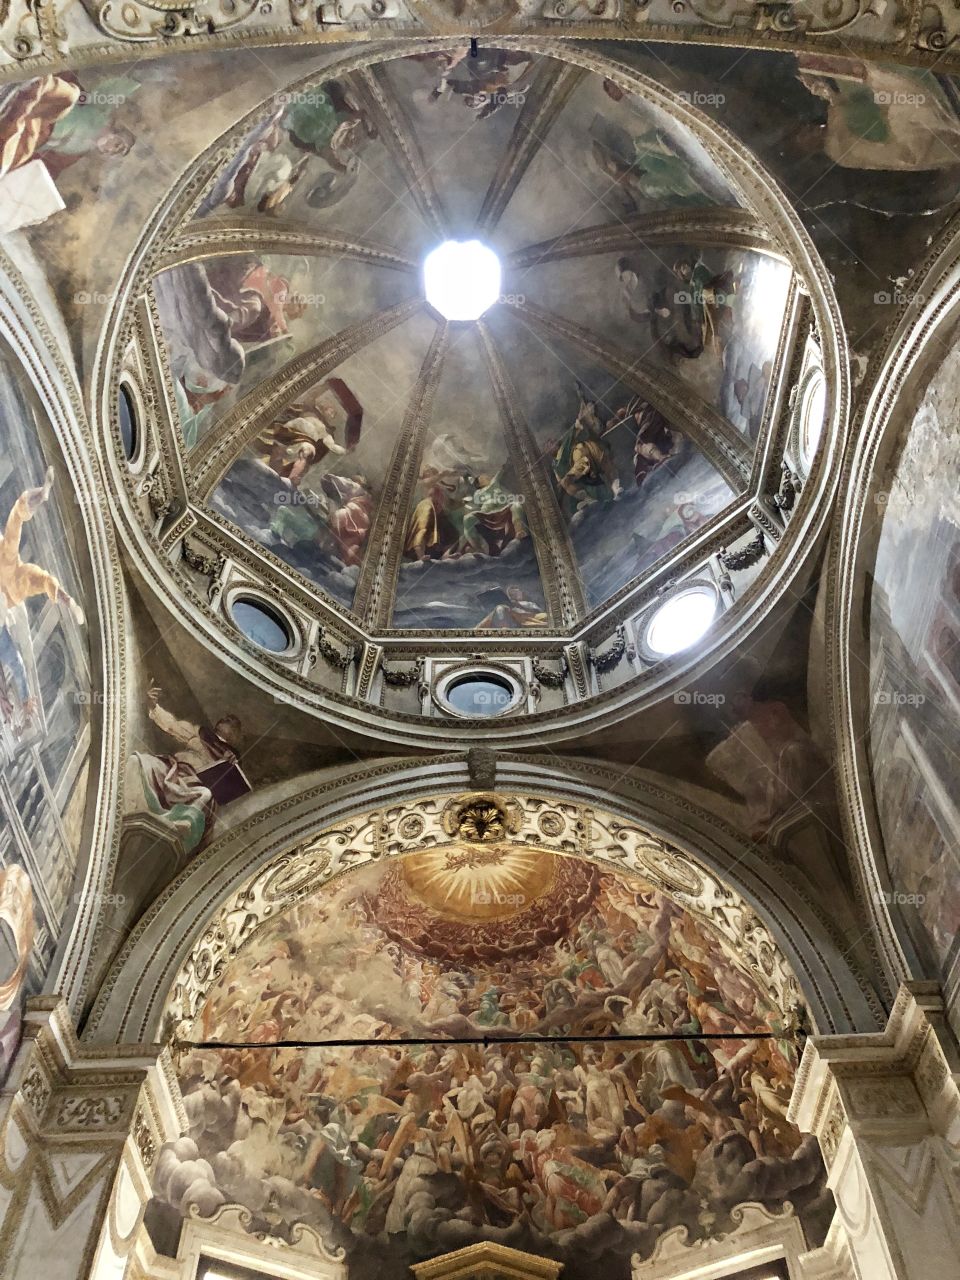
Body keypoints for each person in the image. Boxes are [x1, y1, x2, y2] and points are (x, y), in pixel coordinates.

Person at [130, 683, 245, 855]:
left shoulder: (230, 758)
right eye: (224, 719)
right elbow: (172, 725)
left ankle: (184, 823)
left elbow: (228, 791)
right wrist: (153, 705)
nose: (225, 720)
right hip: (173, 771)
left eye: (230, 722)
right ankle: (127, 809)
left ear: (235, 735)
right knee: (137, 761)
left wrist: (230, 765)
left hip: (195, 787)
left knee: (205, 793)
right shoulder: (200, 735)